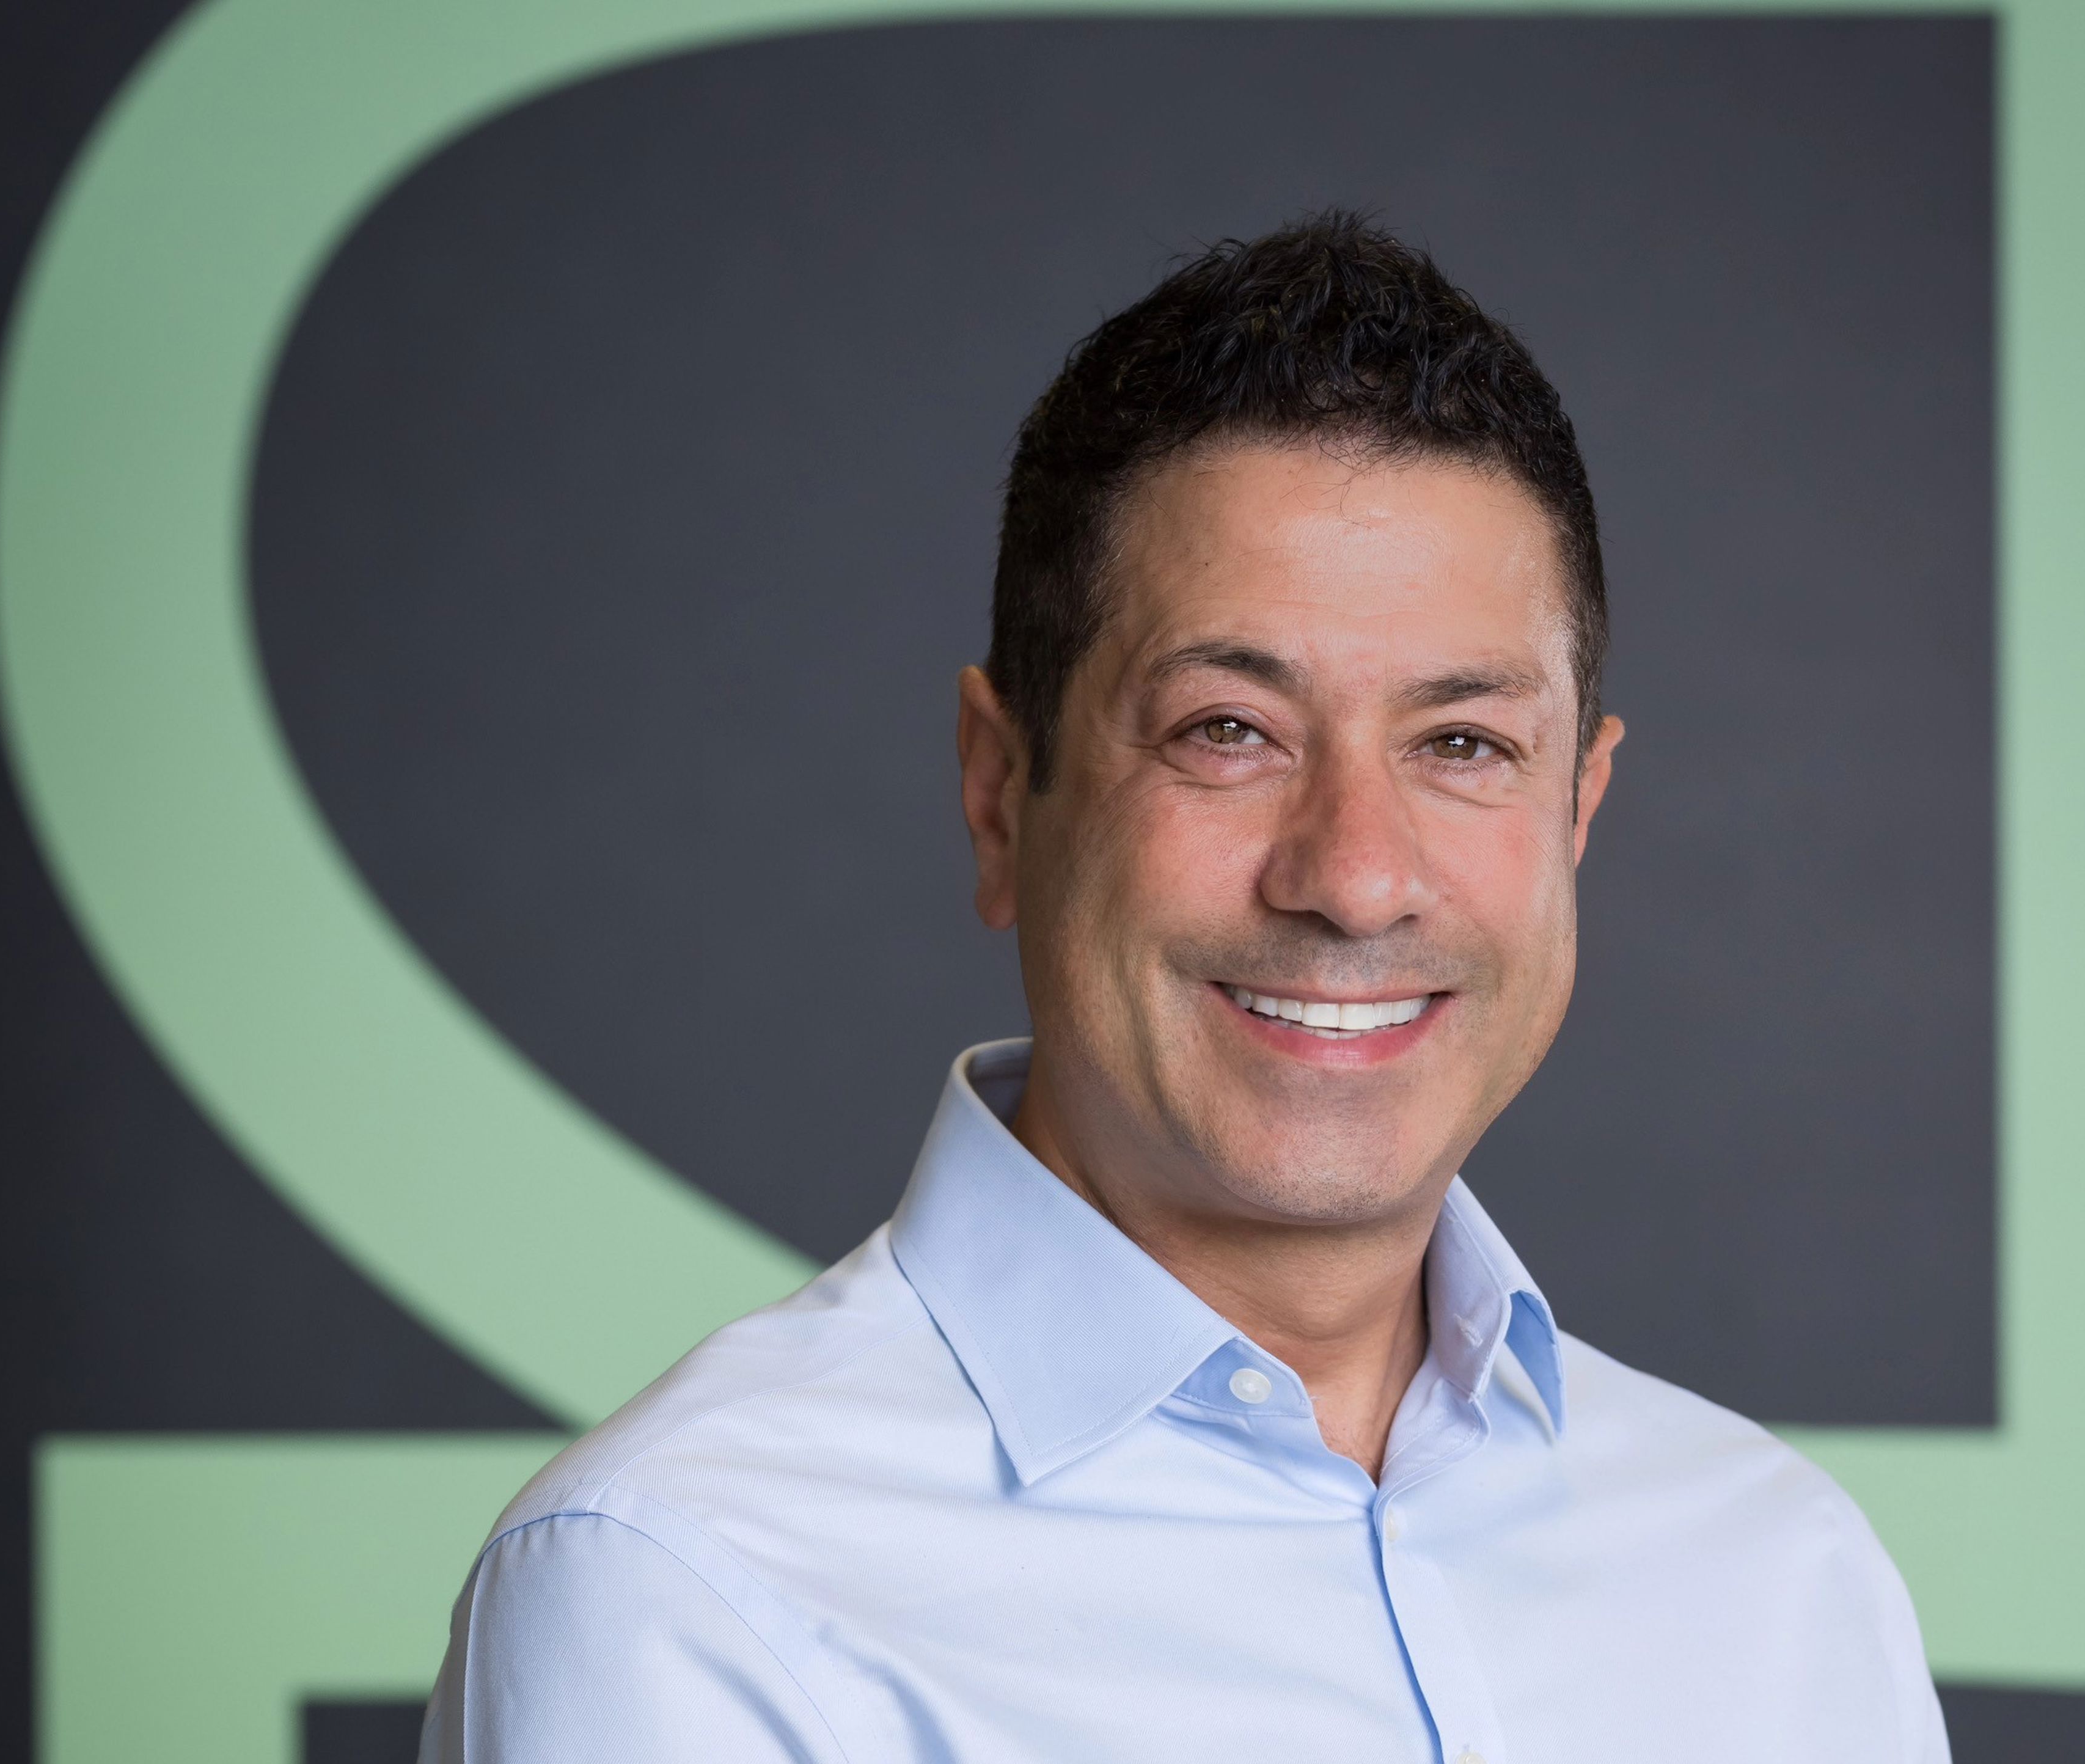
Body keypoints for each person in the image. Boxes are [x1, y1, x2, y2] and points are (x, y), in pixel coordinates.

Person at [419, 213, 1950, 1763]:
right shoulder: (683, 1594)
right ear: (1002, 789)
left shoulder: (1782, 1582)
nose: (1354, 875)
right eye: (1229, 730)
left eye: (1463, 745)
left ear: (1580, 813)